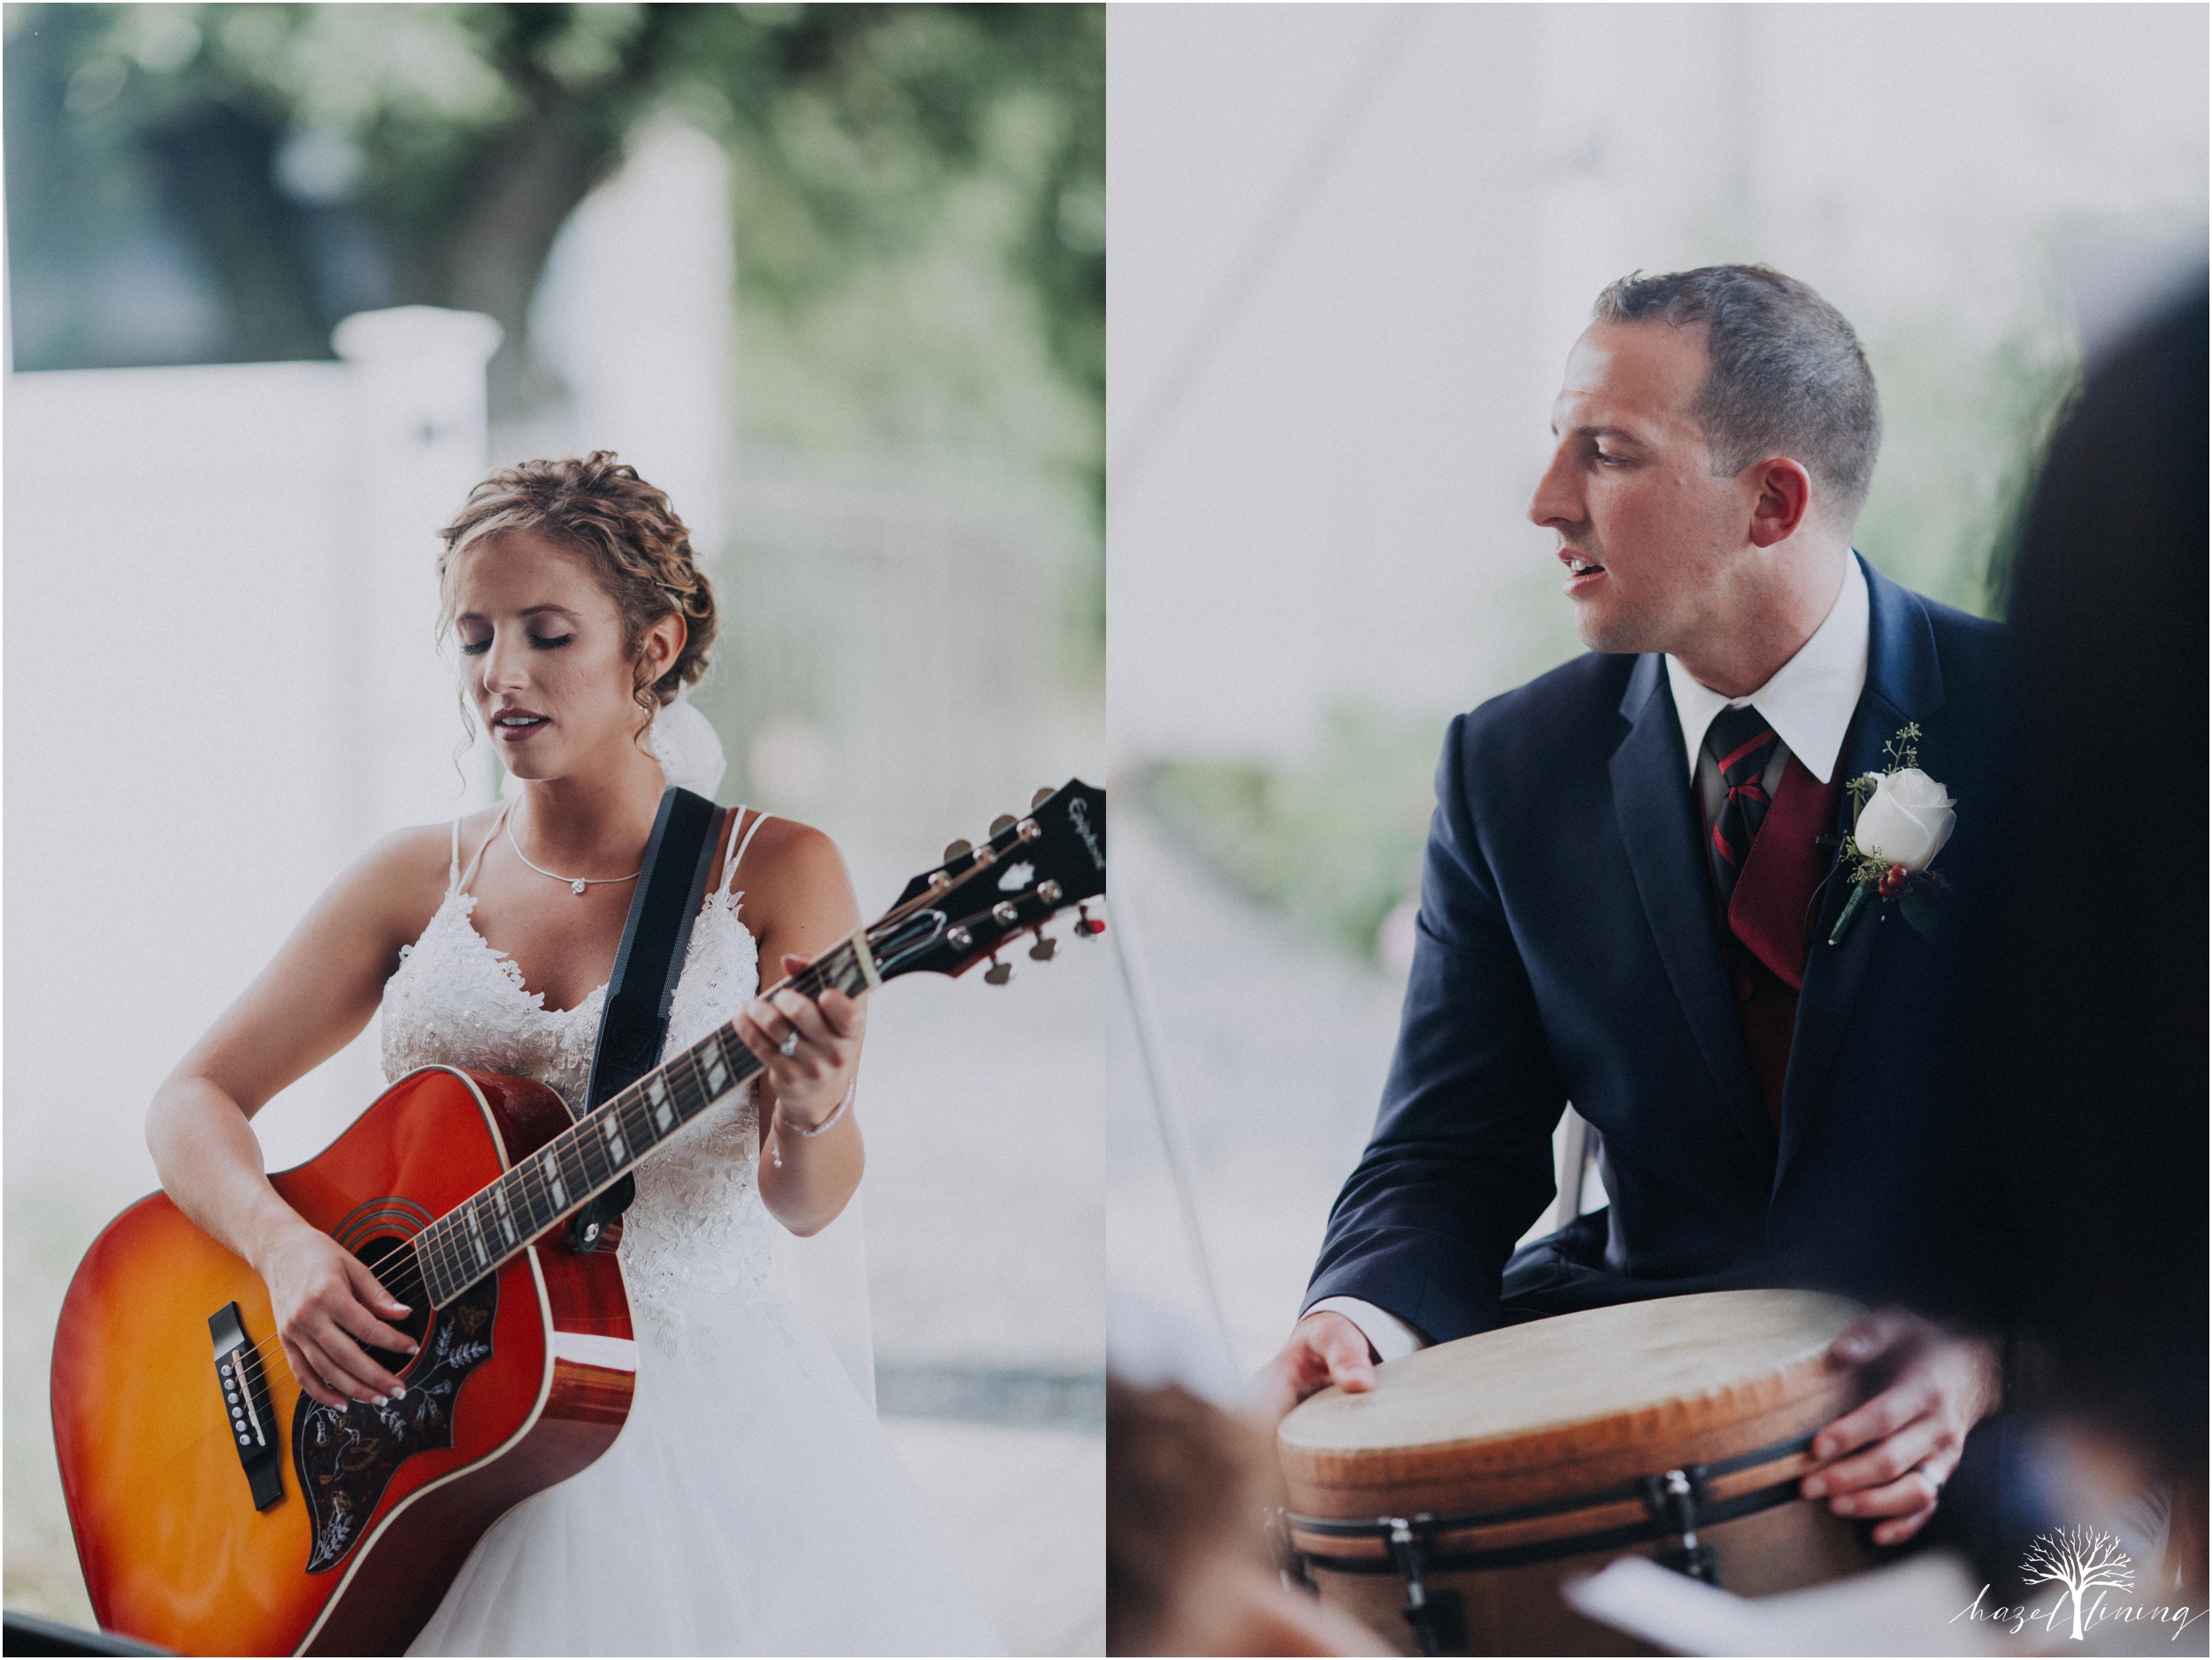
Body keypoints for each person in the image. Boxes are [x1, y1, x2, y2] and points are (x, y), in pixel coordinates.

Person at [144, 452, 1002, 1656]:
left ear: (654, 646)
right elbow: (193, 1096)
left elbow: (808, 1205)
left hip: (678, 1424)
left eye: (548, 635)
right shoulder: (413, 876)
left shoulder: (777, 872)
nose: (502, 676)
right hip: (421, 1432)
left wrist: (812, 1104)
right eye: (474, 638)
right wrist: (283, 1249)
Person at [1256, 267, 2025, 1563]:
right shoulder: (1509, 768)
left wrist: (1993, 1352)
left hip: (1984, 1389)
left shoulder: (2047, 723)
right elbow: (1445, 1150)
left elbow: (2164, 1154)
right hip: (1629, 1372)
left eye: (1605, 452)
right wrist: (1362, 1318)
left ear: (1772, 500)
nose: (1547, 500)